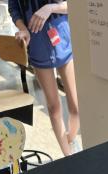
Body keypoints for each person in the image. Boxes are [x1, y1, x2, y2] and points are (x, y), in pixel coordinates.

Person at [8, 0, 80, 156]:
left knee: (76, 107)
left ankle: (70, 139)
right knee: (54, 108)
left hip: (64, 44)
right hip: (38, 47)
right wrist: (23, 29)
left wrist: (51, 7)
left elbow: (73, 5)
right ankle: (68, 156)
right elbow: (14, 8)